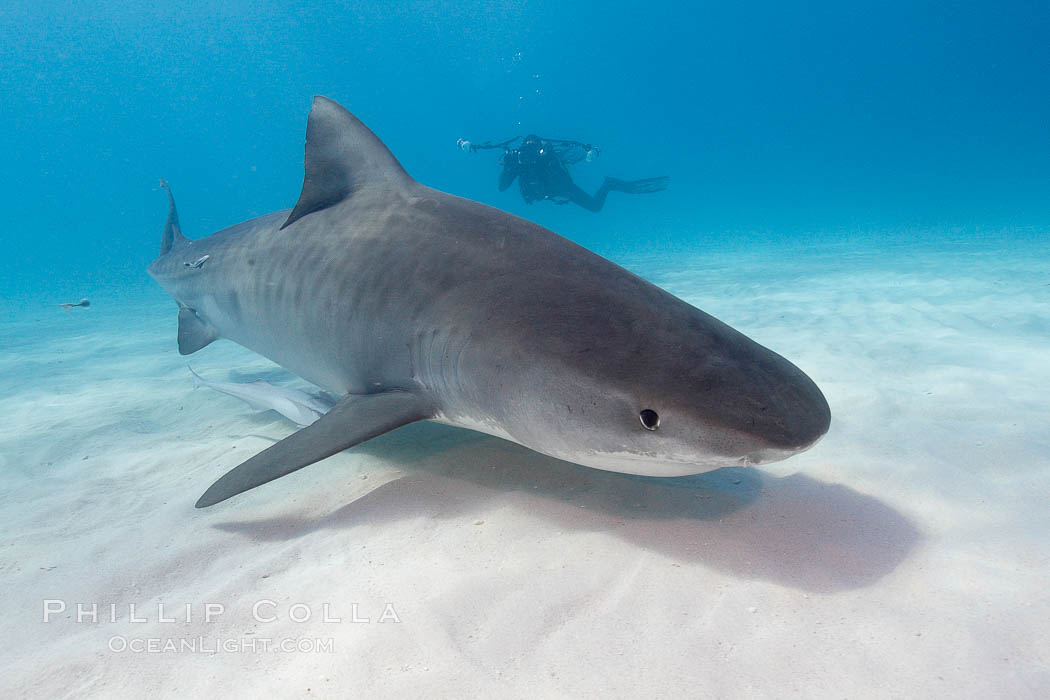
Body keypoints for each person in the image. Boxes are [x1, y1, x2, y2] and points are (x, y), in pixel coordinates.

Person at [458, 134, 669, 212]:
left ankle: (609, 184)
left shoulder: (539, 156)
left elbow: (502, 187)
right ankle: (609, 185)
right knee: (594, 207)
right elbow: (502, 187)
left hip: (560, 189)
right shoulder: (521, 159)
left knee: (595, 208)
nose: (530, 150)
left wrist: (511, 165)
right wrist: (510, 164)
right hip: (558, 190)